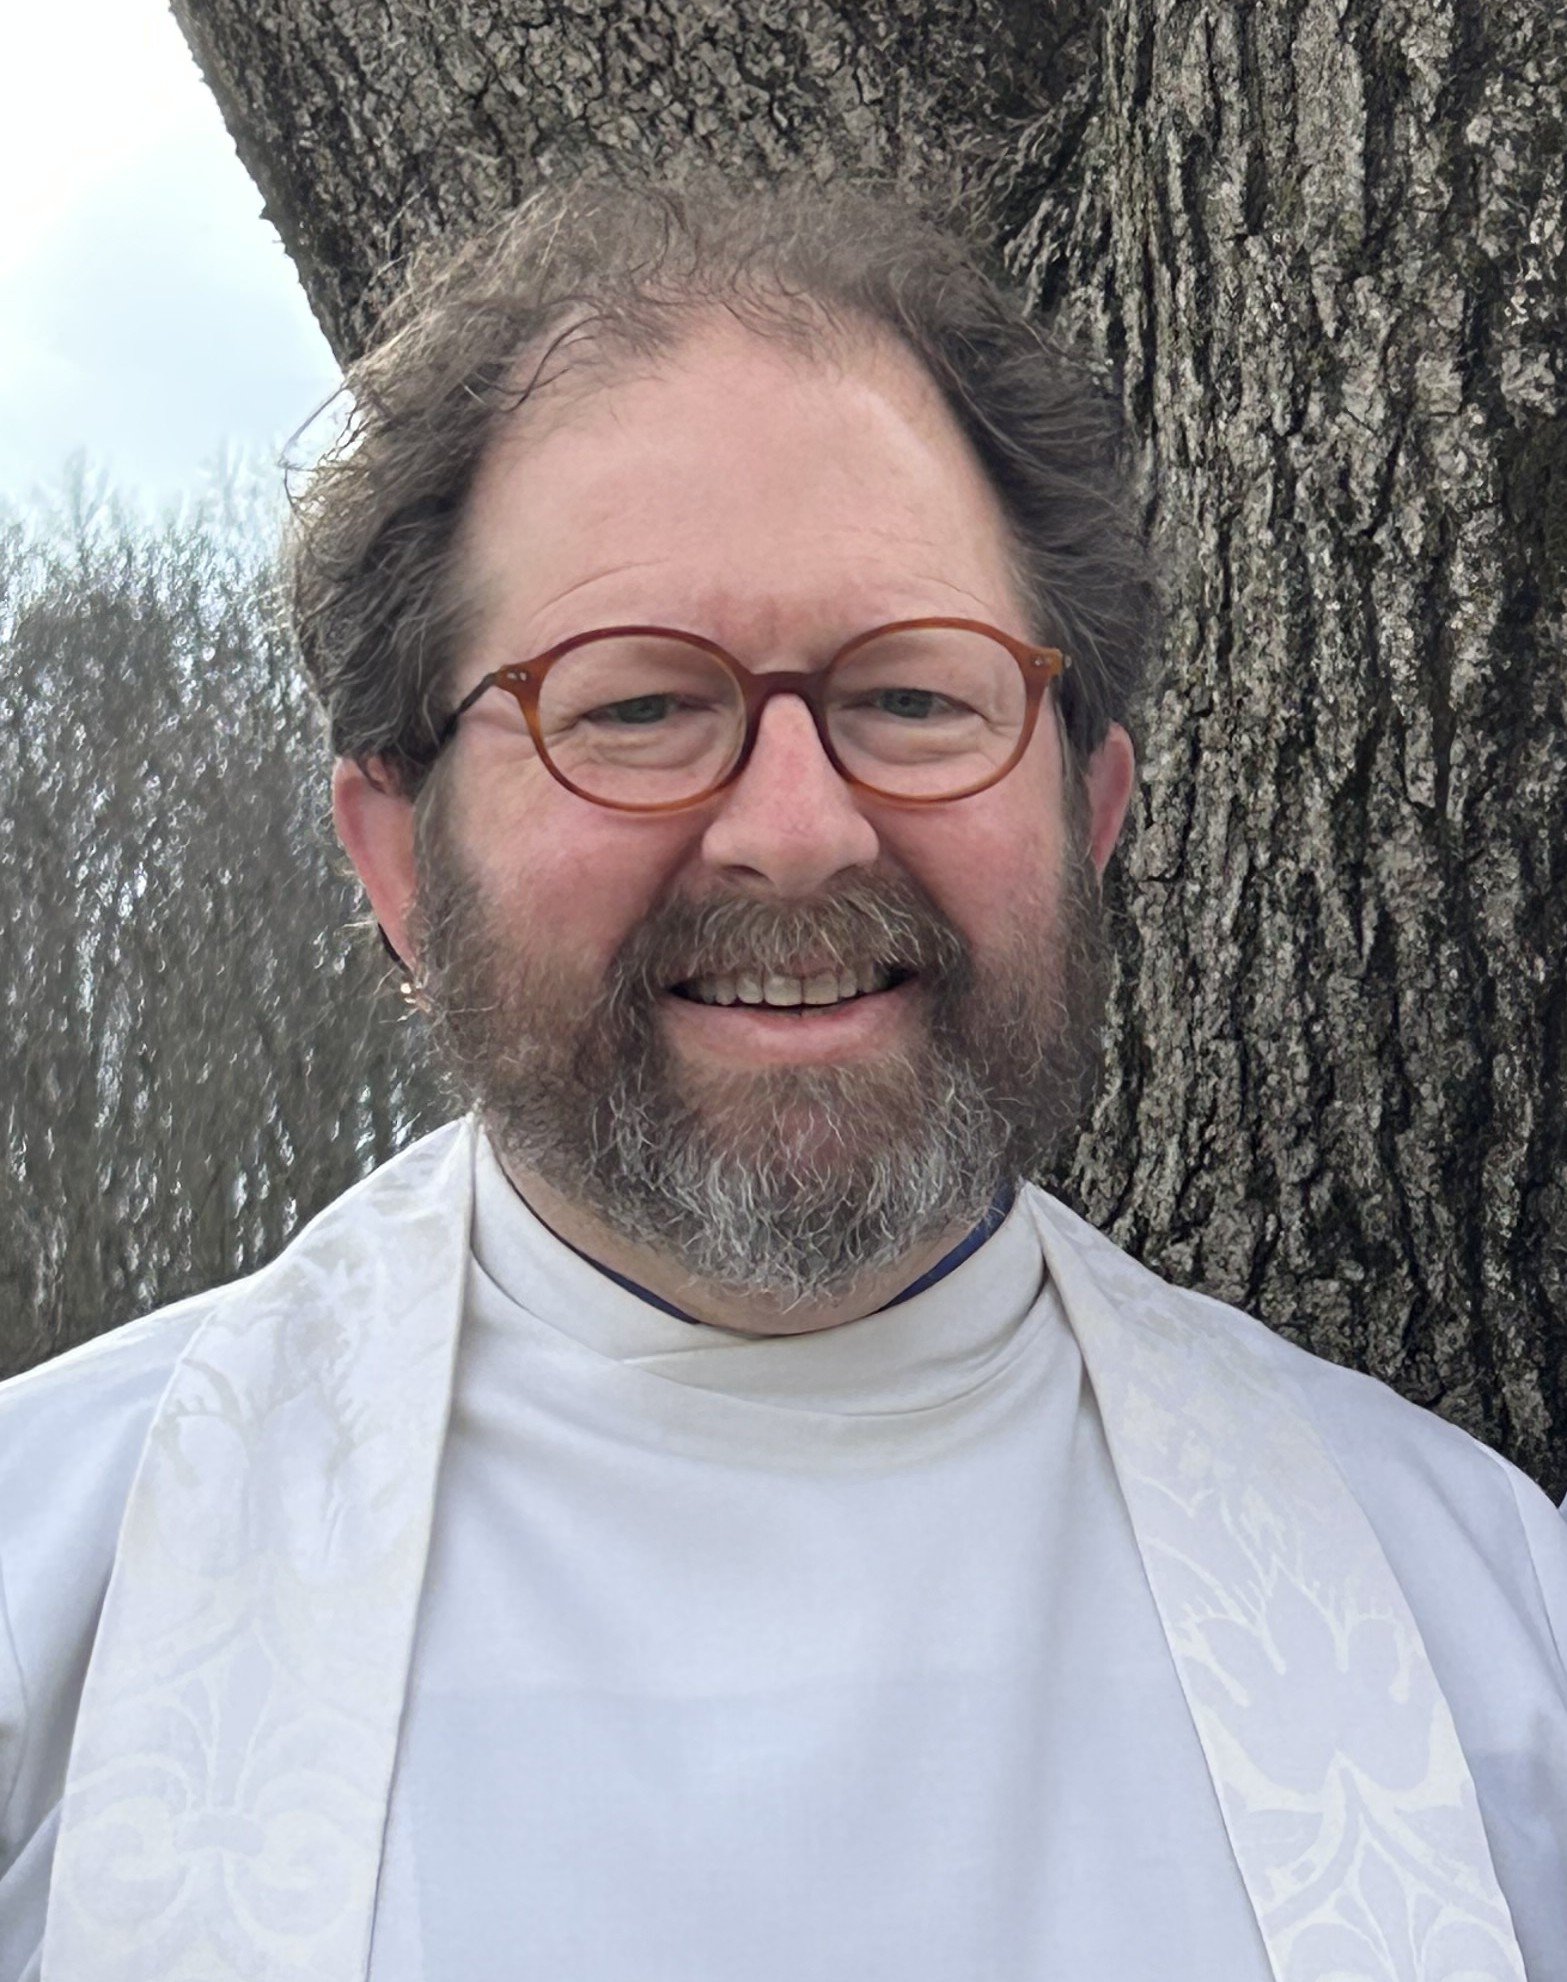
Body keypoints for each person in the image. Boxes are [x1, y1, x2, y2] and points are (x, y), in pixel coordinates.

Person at [2, 179, 1563, 1982]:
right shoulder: (54, 1606)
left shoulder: (1487, 1638)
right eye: (635, 707)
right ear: (399, 861)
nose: (802, 831)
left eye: (915, 698)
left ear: (1091, 815)